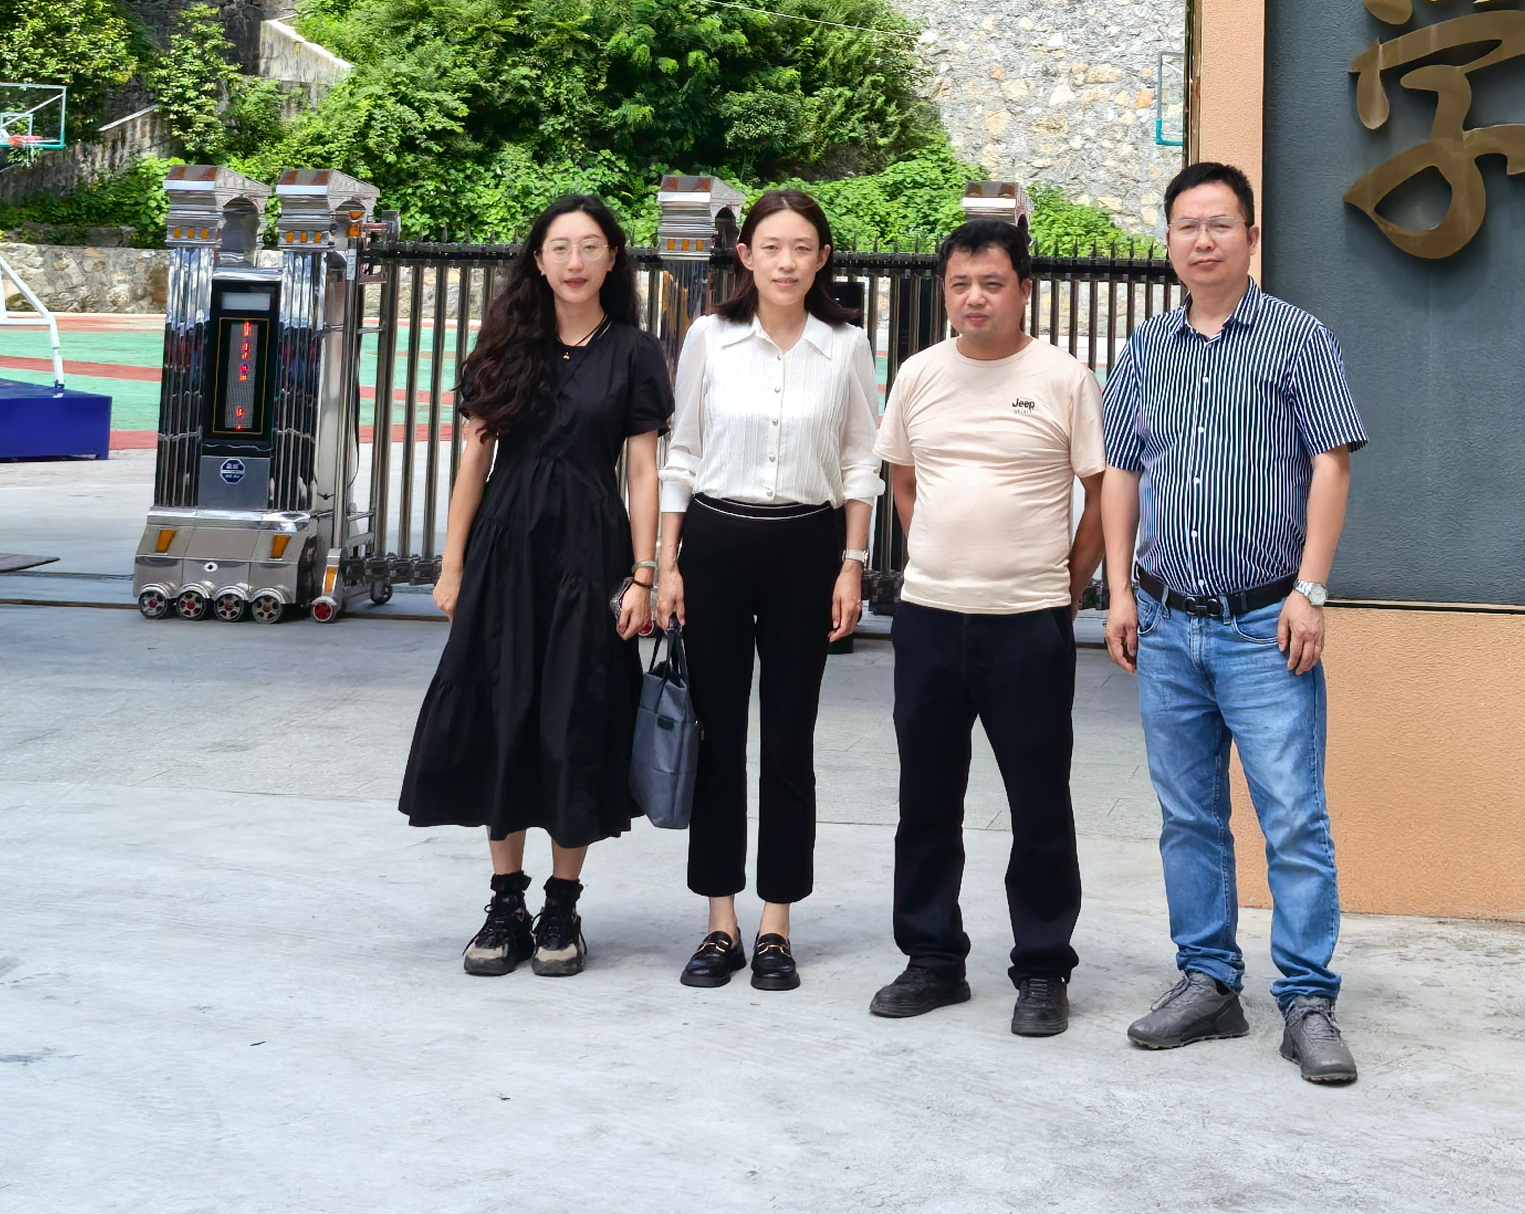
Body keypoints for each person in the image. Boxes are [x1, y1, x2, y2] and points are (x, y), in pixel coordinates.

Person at [1100, 159, 1369, 1087]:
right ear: (1169, 241)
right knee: (1189, 816)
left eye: (1220, 225)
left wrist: (1312, 590)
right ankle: (1208, 981)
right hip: (1166, 621)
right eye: (1188, 226)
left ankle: (1307, 1000)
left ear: (1251, 238)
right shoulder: (1144, 350)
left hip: (1265, 622)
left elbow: (1332, 462)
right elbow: (1122, 471)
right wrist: (1119, 591)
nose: (1203, 240)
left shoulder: (1297, 338)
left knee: (1292, 816)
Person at [396, 194, 672, 979]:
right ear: (539, 259)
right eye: (560, 247)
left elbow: (644, 472)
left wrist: (644, 573)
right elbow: (473, 463)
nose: (575, 261)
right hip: (504, 551)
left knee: (575, 715)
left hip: (591, 550)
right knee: (501, 709)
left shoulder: (634, 352)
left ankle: (562, 903)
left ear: (612, 259)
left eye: (590, 247)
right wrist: (452, 565)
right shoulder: (505, 343)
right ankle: (505, 900)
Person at [867, 215, 1105, 1036]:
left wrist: (1069, 586)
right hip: (930, 618)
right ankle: (932, 957)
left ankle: (1042, 968)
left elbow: (1102, 494)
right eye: (961, 284)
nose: (975, 298)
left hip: (1027, 623)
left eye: (992, 283)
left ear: (1024, 290)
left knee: (1039, 801)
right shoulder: (919, 374)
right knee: (926, 798)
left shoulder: (1065, 379)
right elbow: (903, 481)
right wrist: (940, 558)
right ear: (945, 291)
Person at [651, 185, 884, 993]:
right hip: (716, 541)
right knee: (717, 735)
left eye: (802, 248)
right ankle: (720, 921)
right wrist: (669, 563)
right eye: (772, 247)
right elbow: (682, 452)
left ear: (823, 259)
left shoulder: (845, 346)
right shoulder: (710, 338)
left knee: (789, 738)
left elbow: (861, 458)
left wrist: (852, 561)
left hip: (806, 547)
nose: (787, 262)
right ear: (746, 255)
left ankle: (777, 923)